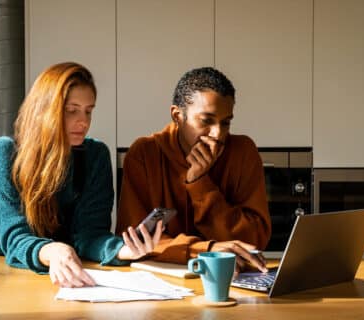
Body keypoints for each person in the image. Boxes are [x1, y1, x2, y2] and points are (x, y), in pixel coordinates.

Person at [0, 62, 163, 287]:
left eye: (89, 111)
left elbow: (90, 235)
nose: (84, 121)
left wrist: (123, 250)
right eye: (71, 110)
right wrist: (53, 250)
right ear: (43, 110)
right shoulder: (1, 153)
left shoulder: (95, 155)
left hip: (61, 268)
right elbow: (14, 240)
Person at [116, 67, 271, 273]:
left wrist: (200, 184)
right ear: (177, 116)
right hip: (160, 283)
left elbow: (253, 240)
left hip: (233, 278)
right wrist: (207, 250)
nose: (218, 134)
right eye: (206, 121)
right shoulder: (144, 153)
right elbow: (133, 241)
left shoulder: (243, 152)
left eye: (225, 123)